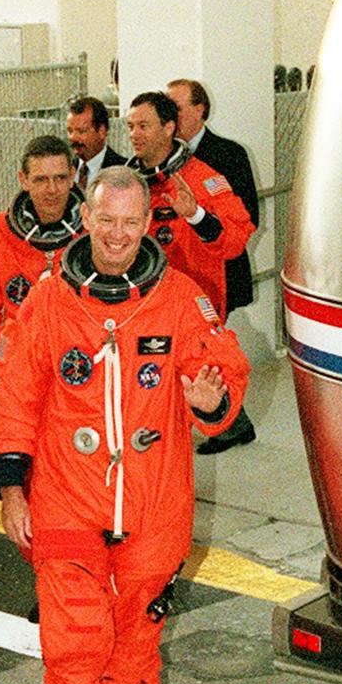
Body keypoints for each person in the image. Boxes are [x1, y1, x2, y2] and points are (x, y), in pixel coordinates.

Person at [0, 167, 250, 684]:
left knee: (133, 656)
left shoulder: (180, 299)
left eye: (130, 223)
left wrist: (211, 402)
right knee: (75, 652)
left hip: (153, 509)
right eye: (105, 220)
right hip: (66, 502)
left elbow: (223, 371)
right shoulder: (49, 300)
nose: (116, 235)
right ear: (85, 218)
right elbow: (16, 397)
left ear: (146, 224)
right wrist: (11, 487)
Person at [0, 134, 83, 430]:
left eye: (60, 178)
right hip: (17, 375)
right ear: (23, 180)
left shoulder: (93, 233)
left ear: (73, 177)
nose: (52, 190)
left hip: (79, 371)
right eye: (41, 180)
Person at [167, 78, 259, 452]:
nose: (171, 115)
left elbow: (247, 217)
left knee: (211, 351)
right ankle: (233, 421)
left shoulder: (228, 154)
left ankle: (228, 422)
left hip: (220, 270)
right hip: (184, 273)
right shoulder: (164, 162)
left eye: (176, 107)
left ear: (200, 109)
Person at [125, 91, 254, 322]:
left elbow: (236, 240)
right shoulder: (127, 185)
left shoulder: (204, 180)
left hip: (194, 307)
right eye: (130, 126)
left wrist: (197, 216)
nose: (134, 134)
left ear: (168, 128)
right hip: (143, 307)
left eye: (143, 126)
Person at [66, 95, 126, 193]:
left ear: (102, 131)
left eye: (81, 131)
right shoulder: (64, 171)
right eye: (70, 131)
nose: (73, 137)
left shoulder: (124, 171)